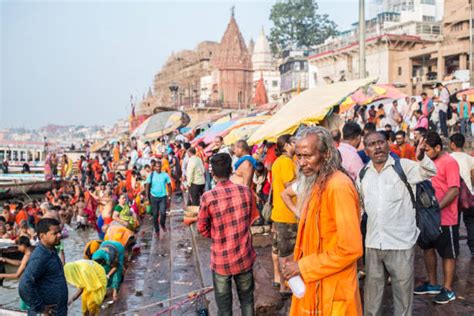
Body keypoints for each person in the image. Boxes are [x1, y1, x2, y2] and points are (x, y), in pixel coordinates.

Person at [282, 126, 363, 315]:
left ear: (325, 155)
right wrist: (296, 262)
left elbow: (351, 248)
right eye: (299, 156)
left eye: (307, 156)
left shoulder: (338, 186)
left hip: (334, 293)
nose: (301, 163)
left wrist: (302, 266)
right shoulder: (317, 182)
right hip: (315, 288)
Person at [357, 131, 436, 315]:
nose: (377, 147)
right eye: (371, 144)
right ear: (366, 150)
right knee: (372, 301)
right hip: (373, 245)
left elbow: (430, 171)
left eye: (381, 142)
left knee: (402, 301)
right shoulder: (362, 175)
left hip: (401, 244)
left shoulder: (404, 166)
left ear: (388, 144)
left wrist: (422, 157)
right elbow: (360, 209)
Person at [197, 153, 258, 316]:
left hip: (221, 260)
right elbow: (252, 218)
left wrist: (219, 234)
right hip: (244, 255)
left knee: (224, 308)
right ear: (231, 169)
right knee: (247, 301)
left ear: (213, 174)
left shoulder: (207, 197)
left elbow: (201, 228)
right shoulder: (246, 191)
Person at [415, 131, 460, 304]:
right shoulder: (424, 161)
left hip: (446, 218)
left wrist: (436, 209)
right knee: (428, 249)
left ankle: (448, 289)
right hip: (427, 218)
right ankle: (432, 283)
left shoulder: (449, 162)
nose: (424, 153)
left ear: (438, 148)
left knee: (448, 254)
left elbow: (454, 190)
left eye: (426, 149)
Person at [19, 218, 68, 315]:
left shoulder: (51, 251)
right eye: (55, 233)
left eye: (59, 232)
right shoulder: (40, 257)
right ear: (42, 236)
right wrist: (40, 307)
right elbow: (24, 285)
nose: (59, 235)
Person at [270, 134, 297, 295]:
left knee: (278, 249)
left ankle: (278, 279)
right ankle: (285, 285)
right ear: (286, 145)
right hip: (288, 214)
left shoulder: (278, 162)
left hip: (279, 213)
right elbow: (290, 187)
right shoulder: (286, 162)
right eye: (294, 142)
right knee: (287, 252)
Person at [449, 133, 474, 257]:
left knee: (454, 223)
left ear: (452, 144)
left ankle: (455, 249)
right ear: (463, 144)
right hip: (469, 195)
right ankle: (473, 249)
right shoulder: (470, 158)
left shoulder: (448, 158)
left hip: (453, 195)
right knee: (470, 222)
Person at [146, 160, 171, 237]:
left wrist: (169, 196)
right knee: (155, 215)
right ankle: (157, 230)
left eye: (159, 166)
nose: (158, 168)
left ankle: (162, 224)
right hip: (154, 197)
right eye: (156, 166)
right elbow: (147, 186)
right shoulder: (151, 175)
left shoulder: (165, 175)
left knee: (163, 213)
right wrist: (147, 197)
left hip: (163, 197)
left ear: (161, 167)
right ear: (154, 167)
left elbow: (169, 185)